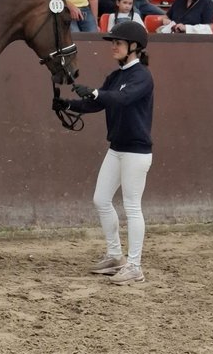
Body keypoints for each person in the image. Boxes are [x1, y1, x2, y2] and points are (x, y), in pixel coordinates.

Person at [52, 21, 154, 285]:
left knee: (132, 206)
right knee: (101, 200)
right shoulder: (116, 76)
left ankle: (135, 266)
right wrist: (68, 105)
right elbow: (98, 104)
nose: (114, 47)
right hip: (117, 149)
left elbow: (121, 99)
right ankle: (115, 256)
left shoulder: (142, 76)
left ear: (134, 47)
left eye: (118, 43)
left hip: (135, 152)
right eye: (114, 43)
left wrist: (96, 92)